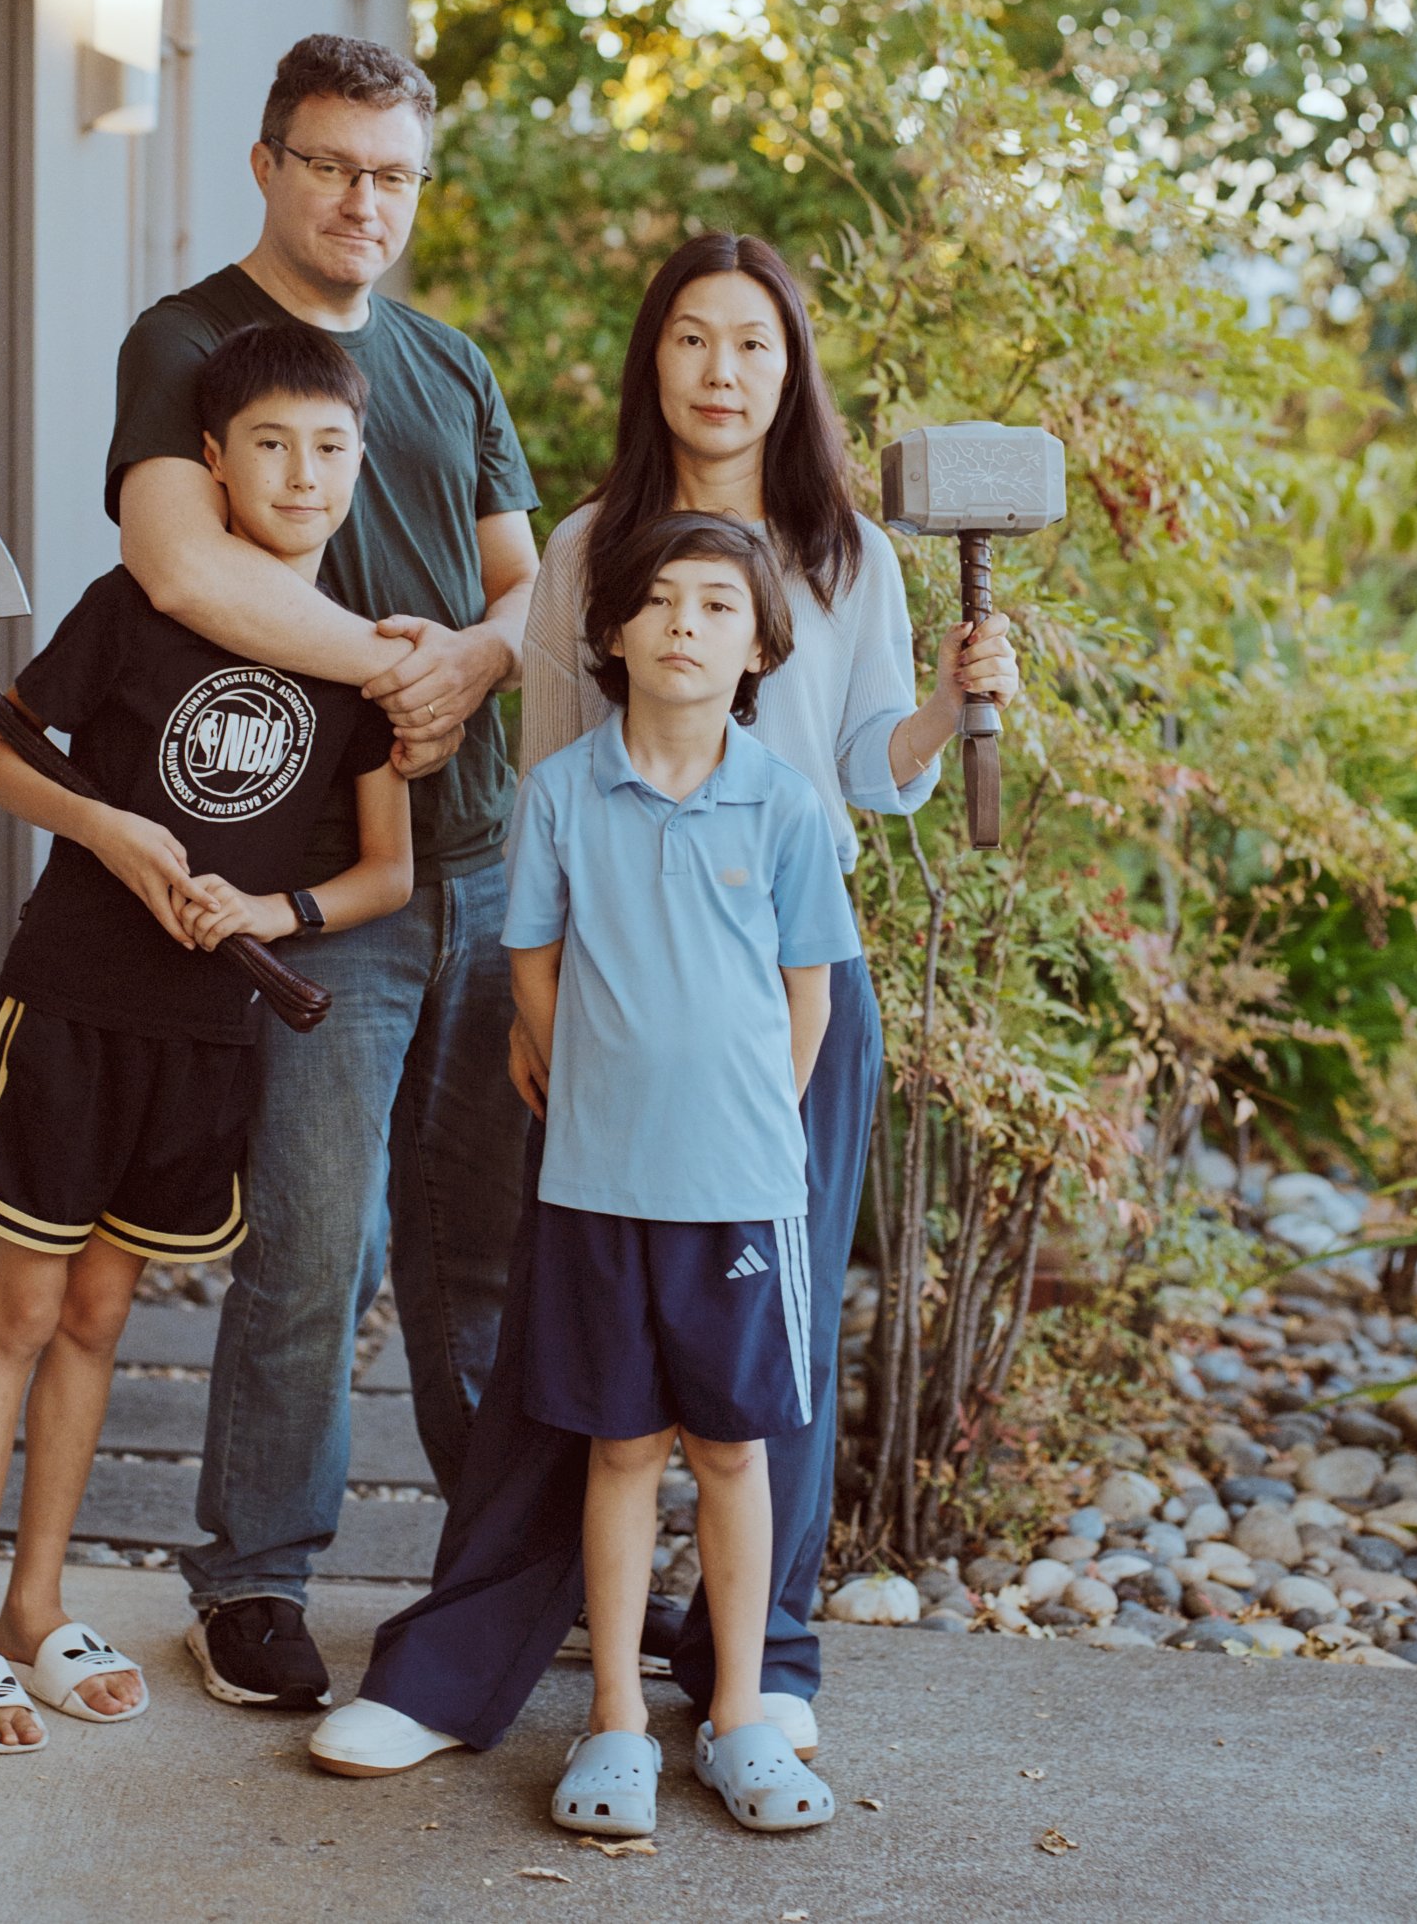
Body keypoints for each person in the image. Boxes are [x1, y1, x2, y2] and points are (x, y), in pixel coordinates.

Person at [312, 229, 1020, 1777]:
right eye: (693, 340)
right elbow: (561, 790)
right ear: (657, 363)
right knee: (575, 1348)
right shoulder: (584, 551)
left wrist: (954, 708)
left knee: (772, 1357)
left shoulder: (849, 556)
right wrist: (532, 1011)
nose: (721, 371)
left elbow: (864, 781)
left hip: (785, 1016)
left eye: (753, 344)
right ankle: (454, 1671)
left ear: (792, 370)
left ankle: (755, 1669)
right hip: (608, 1014)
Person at [0, 322, 412, 1752]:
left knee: (103, 1316)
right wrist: (112, 827)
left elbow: (389, 873)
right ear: (212, 463)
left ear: (358, 467)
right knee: (19, 1307)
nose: (302, 474)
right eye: (270, 445)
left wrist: (273, 906)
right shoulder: (130, 608)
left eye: (329, 449)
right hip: (74, 1005)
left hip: (210, 1027)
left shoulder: (360, 661)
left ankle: (37, 1604)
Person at [105, 34, 541, 1712]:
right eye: (333, 163)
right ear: (269, 163)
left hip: (485, 867)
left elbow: (524, 590)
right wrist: (393, 666)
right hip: (313, 889)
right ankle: (256, 1583)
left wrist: (479, 669)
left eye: (394, 173)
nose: (364, 199)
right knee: (315, 1244)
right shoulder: (189, 340)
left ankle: (506, 1567)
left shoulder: (448, 365)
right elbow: (176, 557)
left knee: (483, 1251)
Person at [500, 512, 857, 1839]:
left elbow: (805, 995)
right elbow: (530, 959)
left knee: (730, 1449)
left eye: (716, 605)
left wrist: (754, 1116)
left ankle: (743, 1715)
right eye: (656, 600)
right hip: (597, 1183)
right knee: (618, 1449)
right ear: (610, 632)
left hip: (741, 1194)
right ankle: (612, 1726)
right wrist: (564, 1060)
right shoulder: (560, 795)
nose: (684, 623)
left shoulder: (784, 804)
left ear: (760, 642)